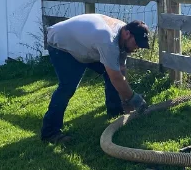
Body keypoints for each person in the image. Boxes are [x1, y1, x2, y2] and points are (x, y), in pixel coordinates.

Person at [41, 14, 149, 144]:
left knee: (112, 72)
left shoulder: (122, 36)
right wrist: (135, 99)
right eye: (136, 43)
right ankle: (50, 132)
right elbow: (116, 77)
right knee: (67, 87)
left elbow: (120, 71)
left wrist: (126, 100)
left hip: (84, 45)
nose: (136, 48)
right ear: (127, 34)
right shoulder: (108, 40)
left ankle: (115, 111)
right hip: (62, 45)